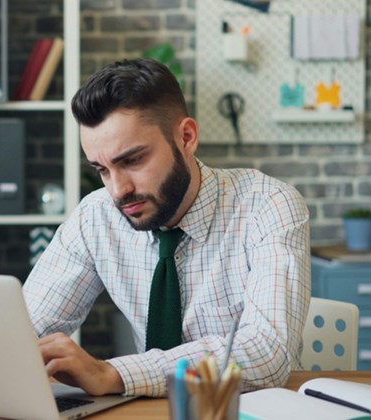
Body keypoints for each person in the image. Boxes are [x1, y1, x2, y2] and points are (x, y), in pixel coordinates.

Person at [22, 58, 310, 398]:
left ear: (186, 137)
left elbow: (268, 352)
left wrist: (113, 373)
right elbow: (25, 332)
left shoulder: (268, 205)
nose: (118, 190)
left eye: (132, 160)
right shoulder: (95, 217)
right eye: (102, 169)